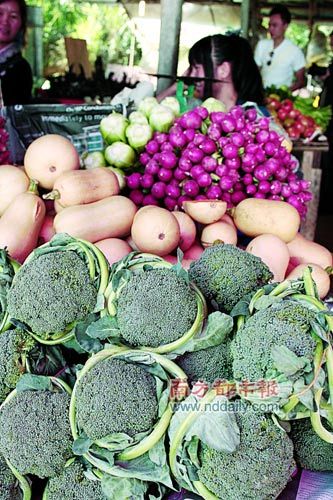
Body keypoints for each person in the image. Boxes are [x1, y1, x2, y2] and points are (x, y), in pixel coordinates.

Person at [157, 33, 265, 111]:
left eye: (197, 68)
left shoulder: (253, 115)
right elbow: (152, 111)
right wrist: (175, 87)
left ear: (223, 70)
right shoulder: (196, 106)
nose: (192, 75)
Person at [254, 4, 305, 91]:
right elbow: (254, 72)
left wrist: (283, 94)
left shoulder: (295, 51)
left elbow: (300, 81)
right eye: (269, 25)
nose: (270, 29)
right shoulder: (261, 45)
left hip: (281, 101)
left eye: (275, 25)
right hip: (261, 95)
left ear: (285, 26)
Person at [0, 0, 32, 105]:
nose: (5, 21)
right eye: (0, 13)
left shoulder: (21, 69)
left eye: (13, 16)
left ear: (21, 25)